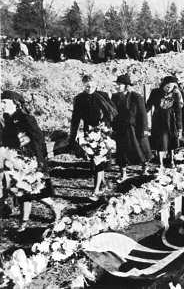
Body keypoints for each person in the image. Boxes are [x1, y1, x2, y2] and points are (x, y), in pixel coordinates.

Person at [0, 90, 62, 231]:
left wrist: (40, 161)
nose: (1, 104)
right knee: (21, 191)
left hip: (30, 161)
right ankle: (24, 221)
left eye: (4, 102)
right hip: (15, 160)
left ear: (15, 103)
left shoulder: (25, 118)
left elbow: (38, 139)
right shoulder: (7, 119)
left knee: (34, 191)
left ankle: (55, 207)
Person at [69, 74, 117, 199]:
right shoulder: (79, 98)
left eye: (91, 86)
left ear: (96, 85)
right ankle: (103, 184)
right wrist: (72, 136)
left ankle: (96, 190)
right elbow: (76, 118)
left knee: (98, 161)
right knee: (94, 161)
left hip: (102, 132)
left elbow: (112, 112)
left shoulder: (103, 95)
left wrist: (106, 126)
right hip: (88, 132)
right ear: (83, 85)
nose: (88, 88)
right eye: (86, 86)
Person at [111, 74, 153, 180]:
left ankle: (144, 169)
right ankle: (123, 174)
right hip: (121, 129)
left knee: (142, 148)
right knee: (121, 151)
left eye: (119, 84)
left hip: (136, 128)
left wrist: (145, 129)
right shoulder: (115, 97)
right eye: (117, 84)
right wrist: (112, 127)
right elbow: (112, 113)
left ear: (126, 86)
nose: (117, 86)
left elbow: (143, 114)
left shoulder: (136, 97)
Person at [146, 76, 183, 168]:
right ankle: (160, 163)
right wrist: (141, 116)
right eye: (167, 86)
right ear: (164, 84)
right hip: (158, 120)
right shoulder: (155, 92)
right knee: (160, 142)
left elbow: (178, 111)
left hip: (170, 120)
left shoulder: (175, 94)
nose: (169, 89)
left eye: (171, 87)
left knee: (171, 141)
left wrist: (179, 127)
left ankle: (171, 161)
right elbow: (148, 105)